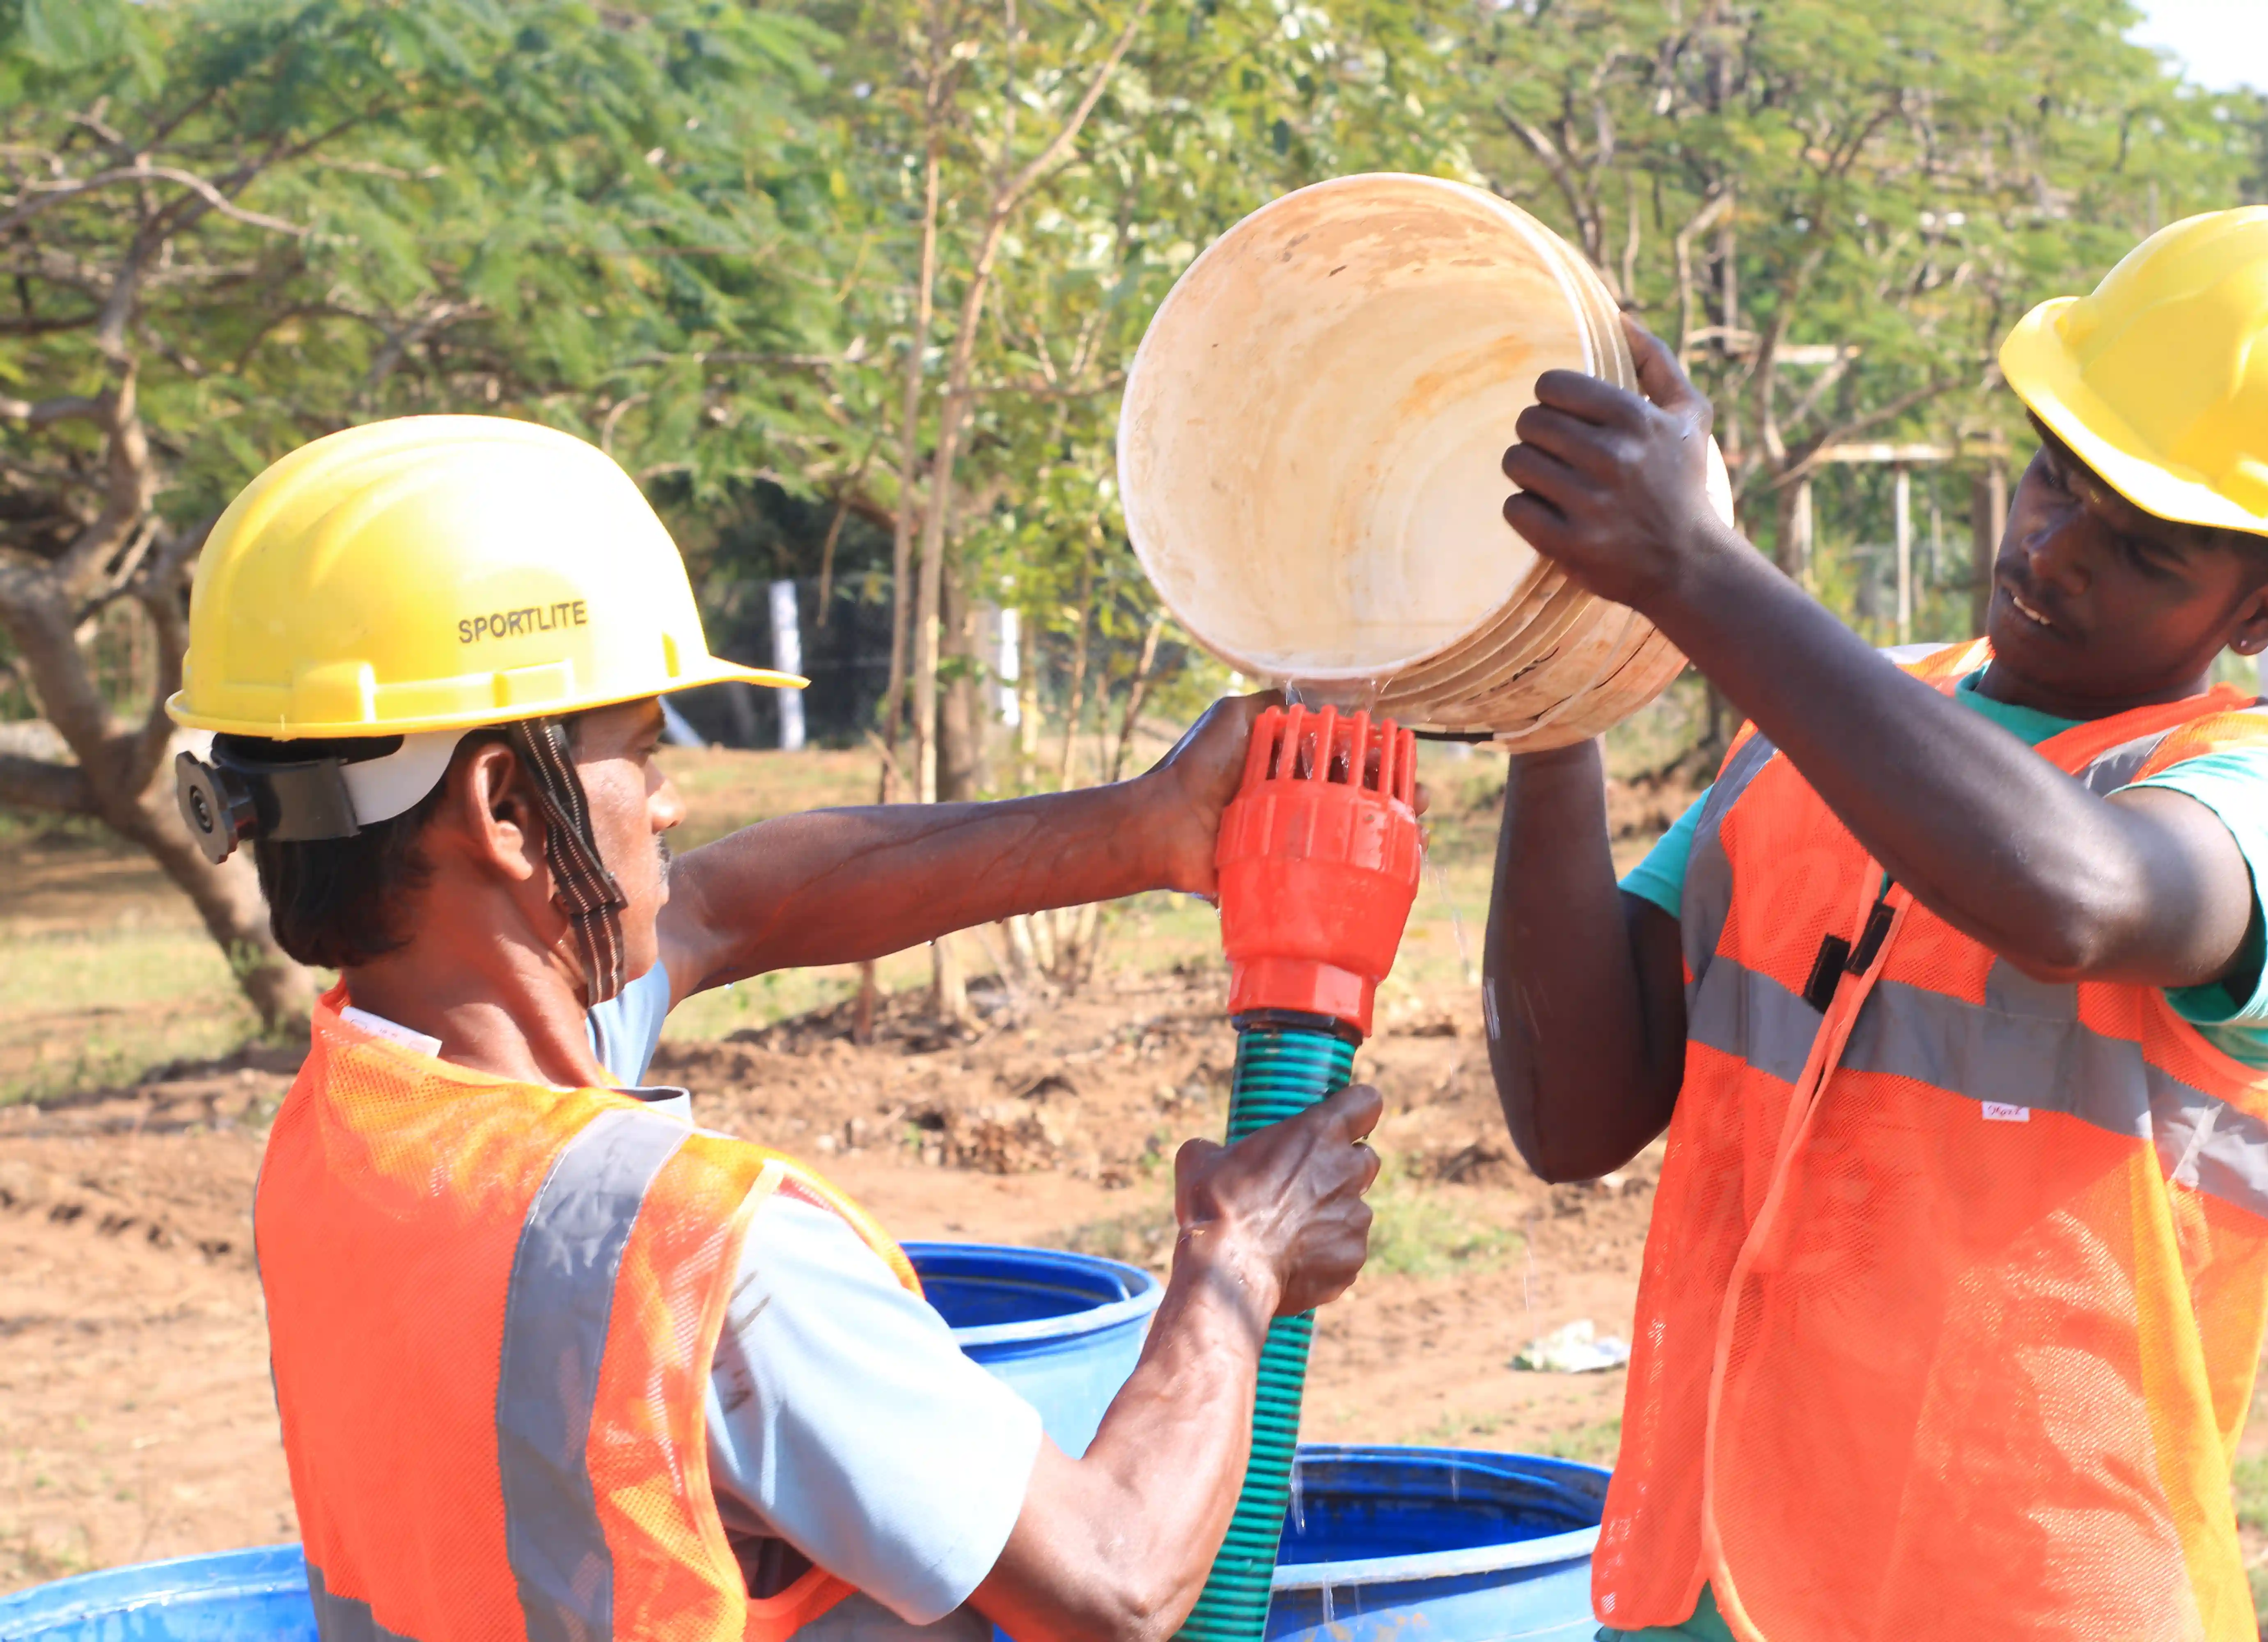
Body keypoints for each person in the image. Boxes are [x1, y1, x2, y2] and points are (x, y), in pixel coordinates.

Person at [167, 414, 1383, 1642]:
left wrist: (1147, 828)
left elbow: (728, 907)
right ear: (509, 812)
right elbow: (1117, 1576)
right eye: (639, 754)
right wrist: (1240, 1265)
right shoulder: (696, 1258)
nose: (670, 799)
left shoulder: (357, 1126)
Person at [1483, 205, 2268, 1642]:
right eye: (2056, 481)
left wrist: (1698, 569)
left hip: (2022, 1590)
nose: (2054, 551)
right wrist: (1548, 692)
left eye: (2144, 548)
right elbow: (1574, 1114)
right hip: (1716, 1581)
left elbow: (2072, 897)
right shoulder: (1833, 723)